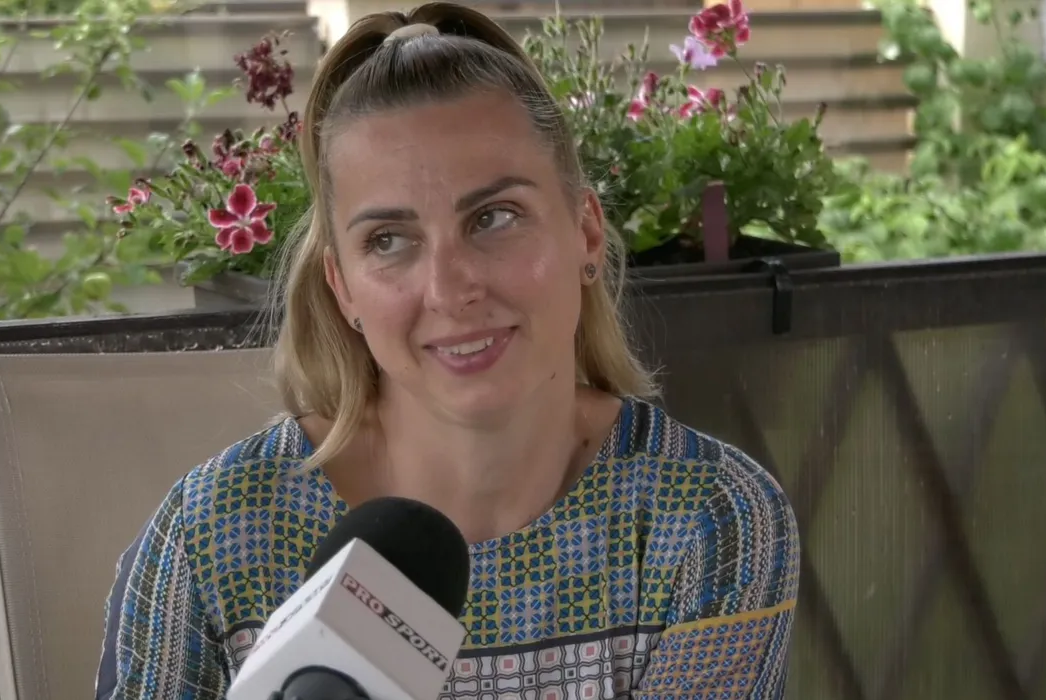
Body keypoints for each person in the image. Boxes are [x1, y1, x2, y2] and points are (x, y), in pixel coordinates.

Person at [95, 3, 800, 698]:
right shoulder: (215, 534)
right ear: (342, 287)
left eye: (494, 217)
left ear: (585, 232)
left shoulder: (707, 518)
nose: (448, 289)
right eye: (388, 241)